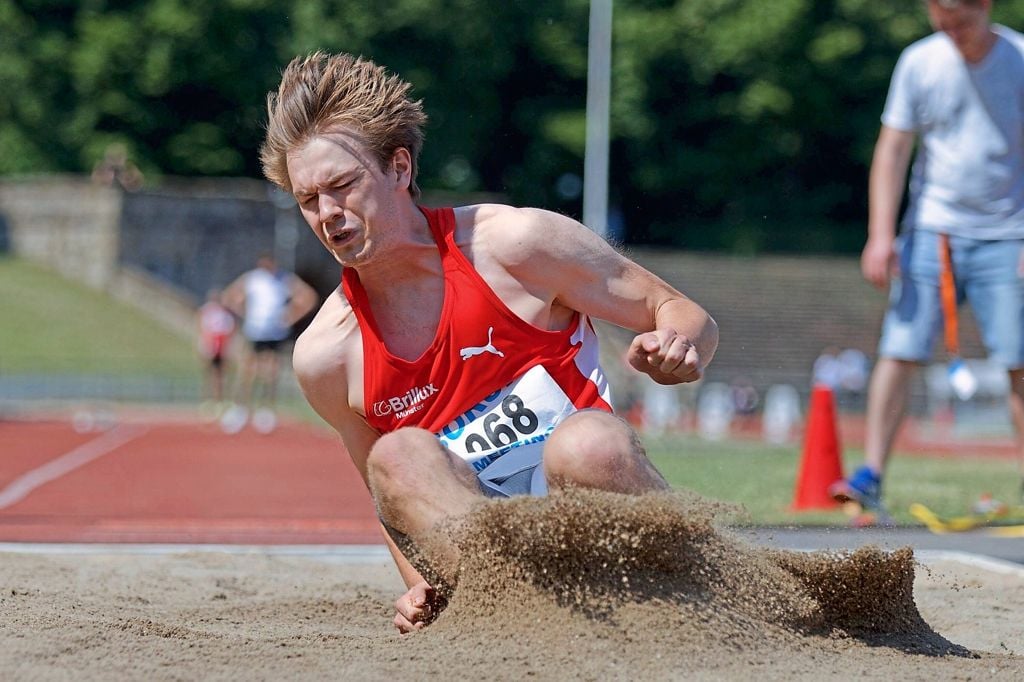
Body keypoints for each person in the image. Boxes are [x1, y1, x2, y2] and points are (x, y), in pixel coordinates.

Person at [259, 52, 719, 633]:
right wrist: (415, 583)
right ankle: (515, 617)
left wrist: (679, 349)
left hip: (595, 502)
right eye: (307, 201)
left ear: (399, 169)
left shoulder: (513, 245)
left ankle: (702, 588)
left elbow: (678, 311)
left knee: (584, 444)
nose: (327, 213)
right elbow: (387, 494)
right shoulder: (326, 353)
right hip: (485, 548)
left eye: (343, 186)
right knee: (396, 455)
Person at [830, 0, 1024, 513]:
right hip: (932, 231)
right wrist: (880, 234)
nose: (952, 34)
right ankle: (871, 475)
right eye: (941, 23)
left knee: (1020, 361)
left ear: (985, 5)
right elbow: (892, 150)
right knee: (900, 350)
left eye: (960, 22)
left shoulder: (1020, 59)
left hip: (1009, 234)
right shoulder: (920, 61)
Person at [219, 254, 318, 434]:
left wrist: (290, 317)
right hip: (254, 330)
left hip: (274, 332)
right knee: (247, 371)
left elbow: (308, 297)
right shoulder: (252, 278)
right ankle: (240, 409)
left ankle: (265, 411)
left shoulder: (284, 279)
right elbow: (229, 296)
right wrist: (244, 312)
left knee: (270, 372)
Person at [197, 288, 236, 414]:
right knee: (209, 375)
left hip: (222, 346)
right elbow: (203, 330)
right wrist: (204, 346)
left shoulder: (226, 313)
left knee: (222, 375)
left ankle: (221, 400)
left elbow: (230, 331)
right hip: (210, 346)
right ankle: (207, 401)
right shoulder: (207, 311)